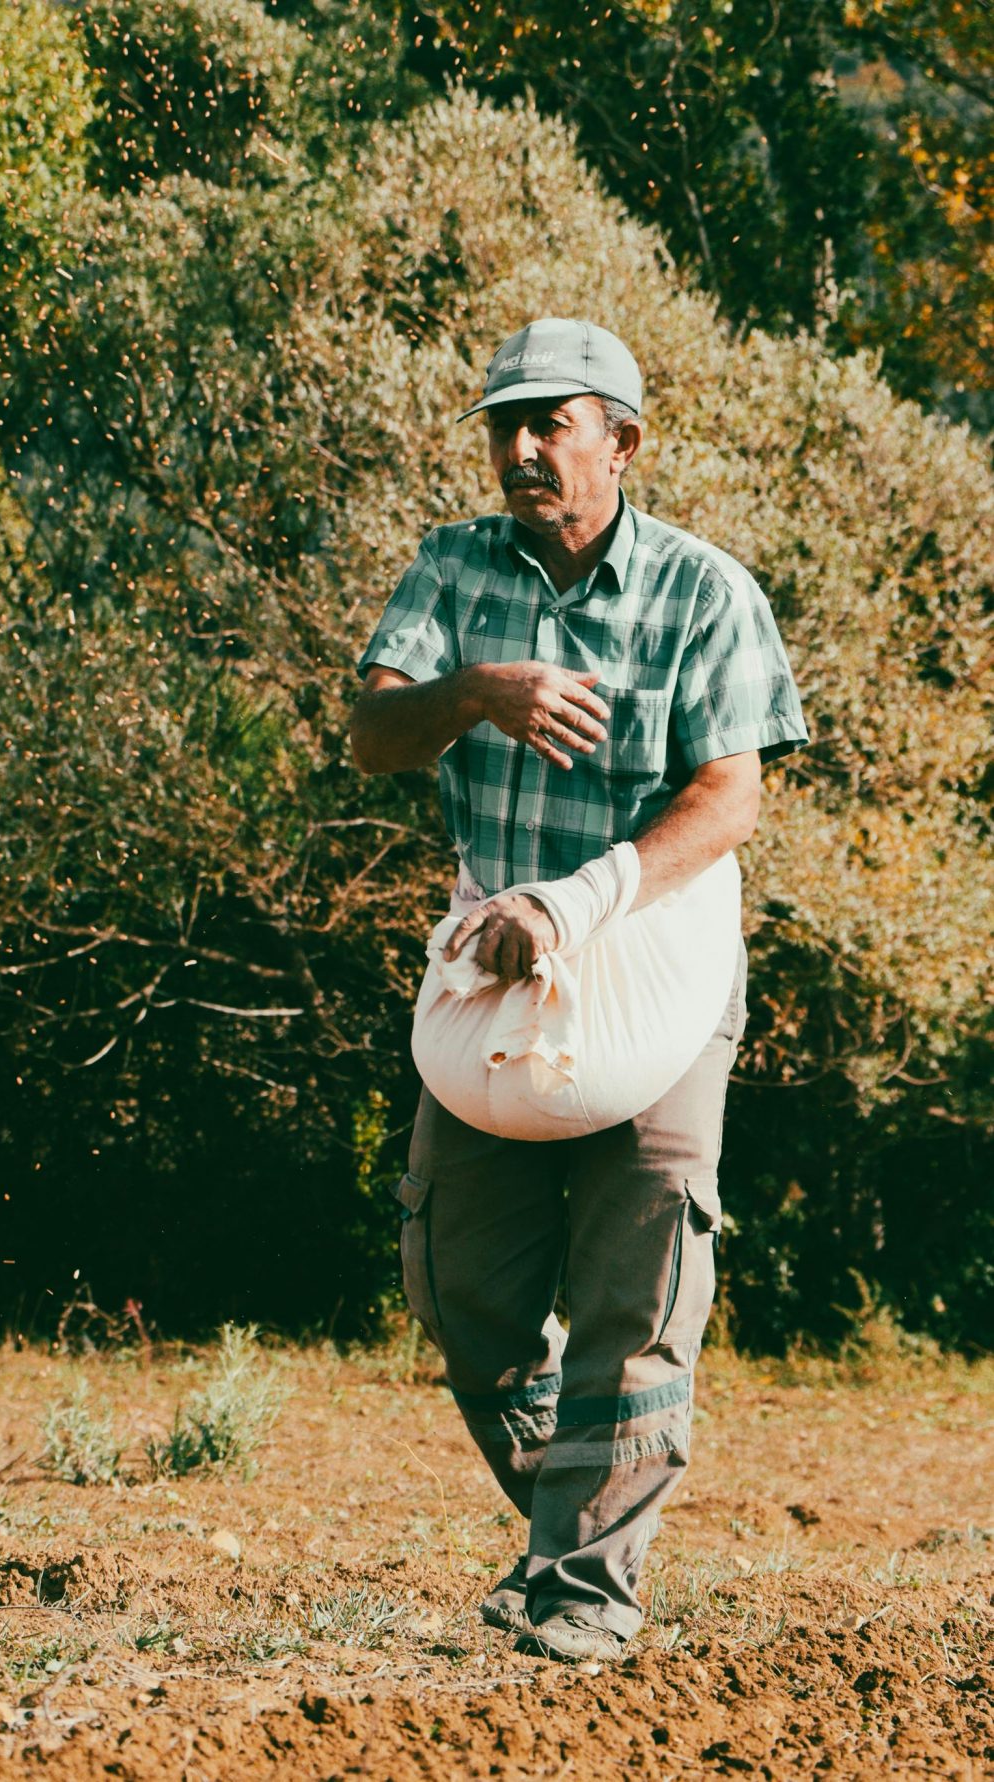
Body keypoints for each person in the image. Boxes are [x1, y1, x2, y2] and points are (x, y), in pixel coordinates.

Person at [349, 317, 808, 1665]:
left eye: (555, 420)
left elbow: (734, 794)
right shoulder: (451, 570)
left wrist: (583, 900)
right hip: (497, 969)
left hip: (658, 965)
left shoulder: (706, 589)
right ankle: (573, 1524)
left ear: (624, 441)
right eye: (507, 421)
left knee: (641, 1283)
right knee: (463, 1286)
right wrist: (476, 692)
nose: (524, 445)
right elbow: (372, 733)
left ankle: (586, 1588)